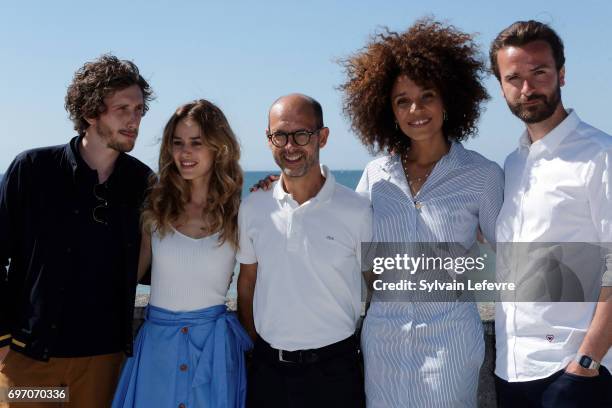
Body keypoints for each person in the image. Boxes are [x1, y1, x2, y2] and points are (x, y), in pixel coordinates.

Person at [340, 19, 503, 407]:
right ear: (387, 110)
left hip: (451, 342)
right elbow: (348, 238)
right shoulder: (375, 174)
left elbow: (513, 251)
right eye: (402, 100)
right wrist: (280, 186)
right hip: (383, 341)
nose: (416, 109)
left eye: (427, 95)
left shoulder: (483, 175)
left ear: (448, 100)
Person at [0, 54, 153, 408]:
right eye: (123, 109)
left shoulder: (143, 184)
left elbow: (159, 263)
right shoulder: (32, 170)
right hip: (29, 363)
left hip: (103, 364)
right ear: (89, 112)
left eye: (140, 110)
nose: (134, 120)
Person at [491, 20, 612, 407]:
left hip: (571, 374)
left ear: (561, 74)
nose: (527, 88)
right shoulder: (512, 164)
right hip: (510, 370)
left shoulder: (600, 156)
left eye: (539, 72)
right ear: (501, 86)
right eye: (514, 78)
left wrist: (586, 363)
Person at [111, 99, 252, 408]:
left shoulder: (241, 212)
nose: (185, 153)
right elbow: (126, 278)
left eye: (196, 143)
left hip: (214, 352)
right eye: (178, 143)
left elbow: (252, 284)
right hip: (156, 352)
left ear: (218, 147)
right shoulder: (155, 208)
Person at [237, 93, 372, 408]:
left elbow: (375, 284)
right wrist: (257, 348)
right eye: (279, 135)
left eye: (301, 134)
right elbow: (246, 284)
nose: (290, 146)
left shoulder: (358, 209)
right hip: (268, 373)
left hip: (336, 372)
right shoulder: (253, 208)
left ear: (322, 137)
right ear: (269, 140)